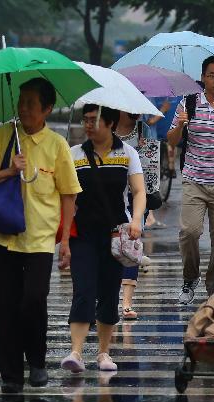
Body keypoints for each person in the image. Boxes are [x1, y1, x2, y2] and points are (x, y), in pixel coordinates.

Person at [0, 78, 81, 394]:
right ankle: (10, 373)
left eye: (31, 104)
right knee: (5, 306)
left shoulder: (57, 145)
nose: (24, 109)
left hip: (39, 238)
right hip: (3, 235)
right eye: (21, 102)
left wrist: (65, 242)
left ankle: (36, 360)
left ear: (47, 109)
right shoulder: (4, 135)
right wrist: (9, 171)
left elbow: (68, 194)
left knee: (33, 300)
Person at [60, 104, 146, 374]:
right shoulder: (73, 155)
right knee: (83, 291)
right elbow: (68, 199)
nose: (87, 125)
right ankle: (76, 352)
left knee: (109, 294)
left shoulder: (127, 153)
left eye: (93, 120)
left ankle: (103, 353)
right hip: (82, 234)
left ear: (109, 123)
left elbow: (139, 190)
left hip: (115, 235)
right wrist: (64, 240)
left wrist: (136, 219)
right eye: (85, 120)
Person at [167, 56, 214, 305]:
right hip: (193, 180)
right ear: (202, 77)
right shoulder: (188, 102)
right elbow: (171, 140)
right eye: (212, 75)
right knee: (189, 232)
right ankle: (190, 279)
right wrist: (180, 125)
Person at [115, 108, 167, 320]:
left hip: (137, 197)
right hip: (110, 198)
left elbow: (152, 170)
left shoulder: (146, 132)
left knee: (131, 248)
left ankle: (126, 303)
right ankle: (104, 297)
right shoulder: (104, 131)